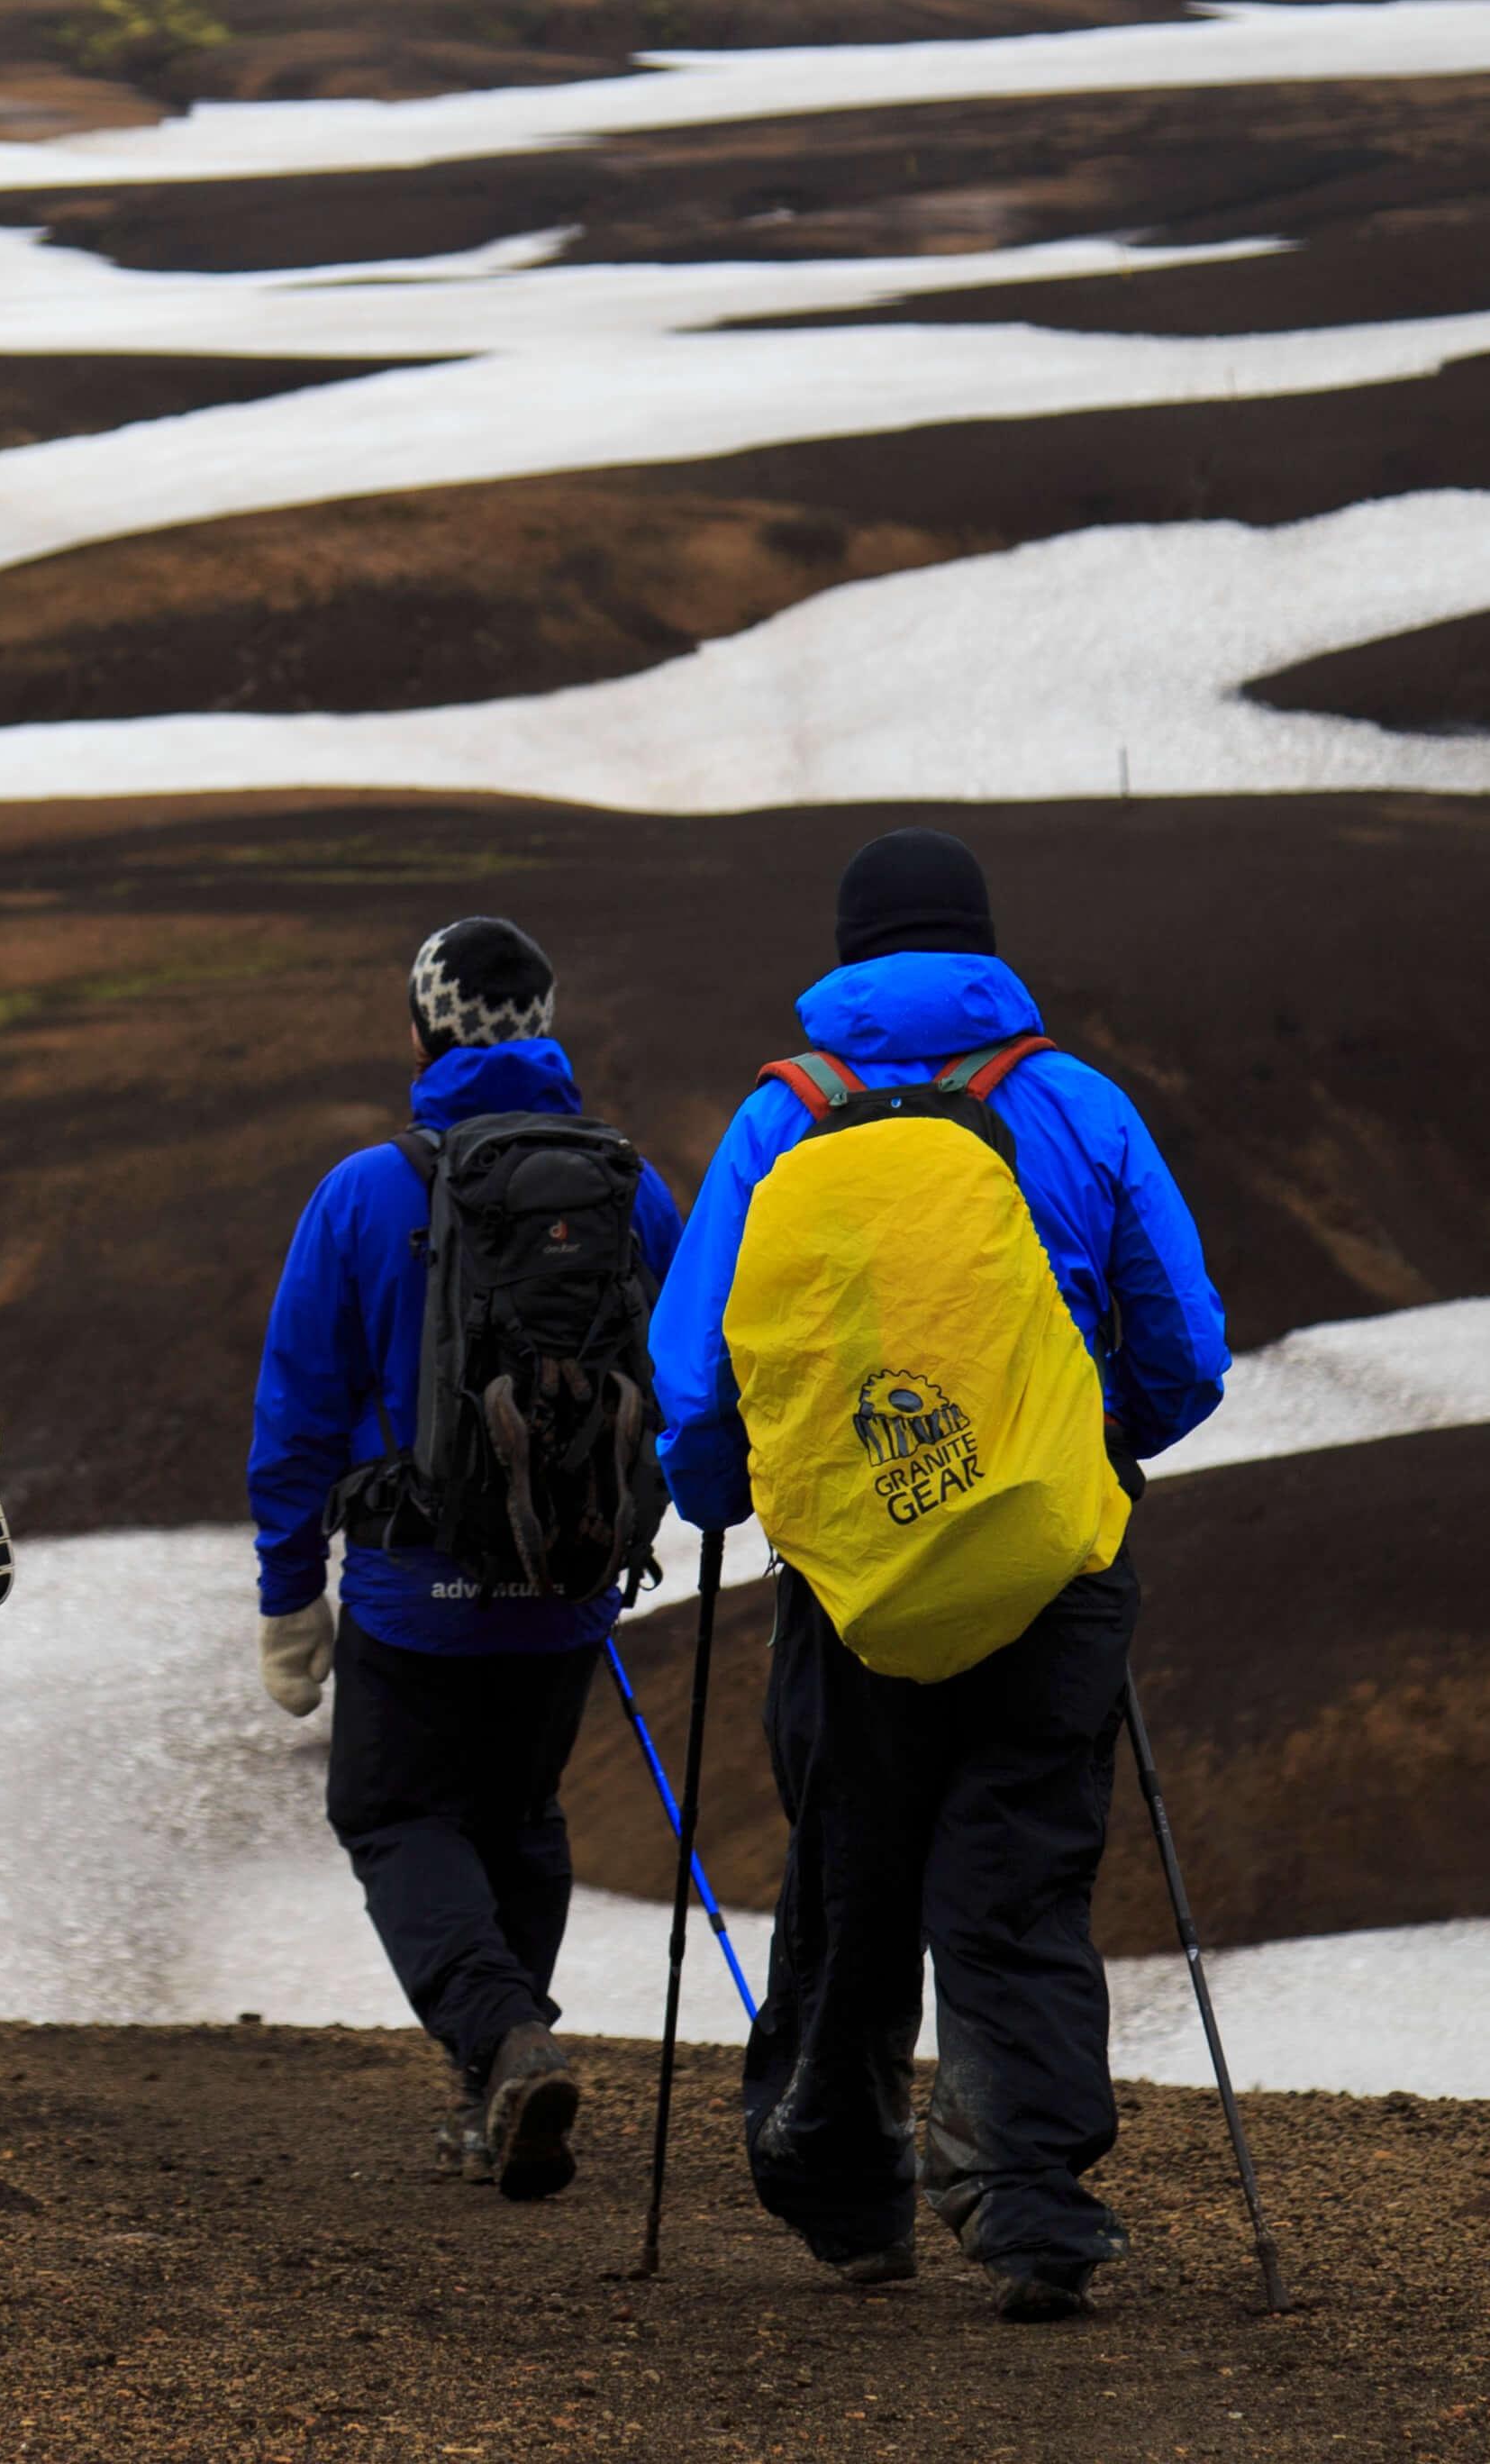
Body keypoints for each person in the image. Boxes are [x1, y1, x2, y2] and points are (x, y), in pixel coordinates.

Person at [648, 827, 1230, 2322]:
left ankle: (851, 2195)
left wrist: (724, 1499)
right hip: (1051, 1563)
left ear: (846, 959)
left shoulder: (784, 1117)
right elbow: (1185, 1351)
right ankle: (1030, 2203)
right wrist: (1092, 1460)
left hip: (854, 1579)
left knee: (855, 1876)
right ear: (983, 946)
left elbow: (700, 1367)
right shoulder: (1078, 1104)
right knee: (1021, 1876)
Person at [250, 915, 683, 2197]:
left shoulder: (367, 1192)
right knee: (520, 1814)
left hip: (414, 1583)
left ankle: (504, 2047)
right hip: (568, 1585)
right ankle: (505, 2075)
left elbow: (296, 1412)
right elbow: (681, 1371)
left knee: (390, 1811)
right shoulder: (632, 1188)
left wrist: (289, 1599)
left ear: (425, 1026)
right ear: (544, 1027)